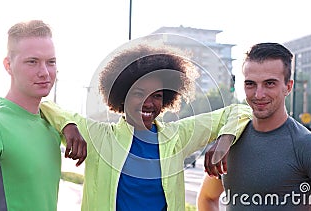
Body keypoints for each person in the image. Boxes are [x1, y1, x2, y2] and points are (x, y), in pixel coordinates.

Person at [40, 41, 253, 211]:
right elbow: (44, 105)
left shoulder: (177, 137)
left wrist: (224, 140)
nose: (148, 103)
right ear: (122, 96)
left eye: (157, 96)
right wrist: (68, 125)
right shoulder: (99, 136)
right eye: (139, 94)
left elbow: (241, 111)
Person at [201, 42, 311, 210]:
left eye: (269, 83)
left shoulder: (307, 146)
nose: (259, 94)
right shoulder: (231, 140)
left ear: (288, 87)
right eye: (250, 84)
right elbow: (207, 198)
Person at [0, 20, 87, 211]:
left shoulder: (51, 125)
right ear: (8, 65)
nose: (44, 72)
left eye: (51, 62)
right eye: (32, 62)